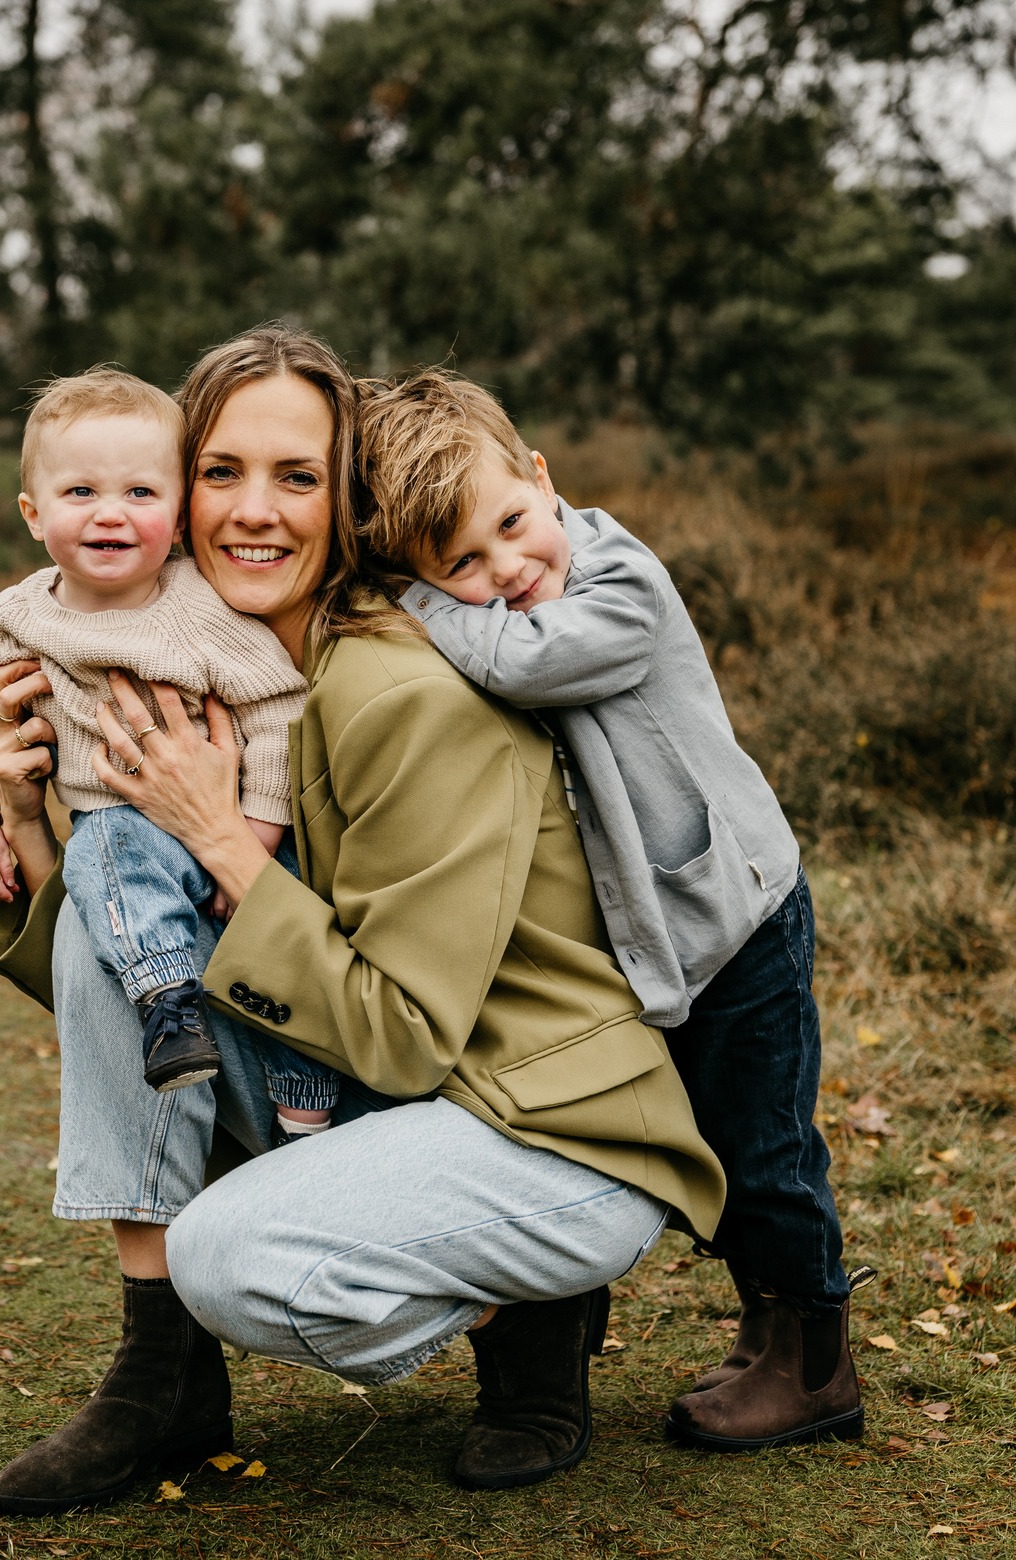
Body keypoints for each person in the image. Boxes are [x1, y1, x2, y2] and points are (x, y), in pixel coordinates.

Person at [0, 326, 726, 1515]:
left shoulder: (405, 691)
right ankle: (160, 1378)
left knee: (234, 1256)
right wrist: (25, 826)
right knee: (94, 931)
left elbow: (405, 1033)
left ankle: (531, 1309)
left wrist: (221, 838)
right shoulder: (182, 666)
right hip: (375, 1084)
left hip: (536, 1122)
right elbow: (127, 969)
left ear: (352, 502)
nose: (250, 512)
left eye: (299, 477)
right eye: (219, 471)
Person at [356, 368, 861, 1452]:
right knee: (703, 1153)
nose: (508, 569)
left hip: (738, 923)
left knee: (763, 1150)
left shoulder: (620, 580)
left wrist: (418, 596)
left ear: (542, 475)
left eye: (512, 523)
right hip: (658, 946)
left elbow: (518, 660)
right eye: (463, 563)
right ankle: (766, 1331)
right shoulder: (524, 584)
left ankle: (815, 1358)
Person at [0, 366, 338, 1127]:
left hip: (230, 823)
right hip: (115, 824)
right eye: (81, 493)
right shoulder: (16, 618)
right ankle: (168, 1003)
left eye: (140, 493)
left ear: (180, 512)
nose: (111, 516)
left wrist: (254, 828)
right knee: (103, 862)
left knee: (275, 946)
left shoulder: (202, 606)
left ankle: (305, 1099)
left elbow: (277, 709)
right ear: (33, 513)